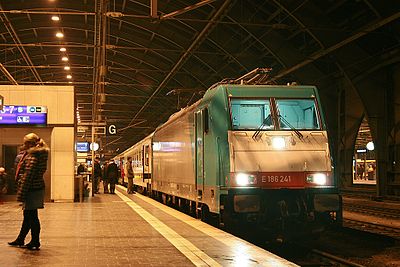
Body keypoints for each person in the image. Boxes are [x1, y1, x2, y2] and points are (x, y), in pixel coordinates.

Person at [8, 133, 49, 250]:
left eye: (25, 142)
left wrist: (21, 193)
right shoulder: (37, 153)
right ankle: (21, 239)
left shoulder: (34, 155)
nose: (23, 144)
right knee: (29, 215)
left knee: (32, 216)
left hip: (32, 189)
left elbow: (28, 175)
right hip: (35, 188)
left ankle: (35, 241)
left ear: (31, 143)